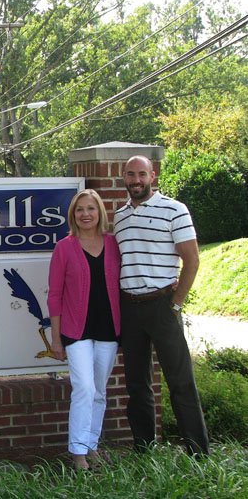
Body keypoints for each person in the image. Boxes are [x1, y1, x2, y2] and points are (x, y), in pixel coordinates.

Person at [114, 155, 209, 456]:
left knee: (180, 381)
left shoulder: (174, 210)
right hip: (130, 307)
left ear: (153, 176)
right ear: (124, 177)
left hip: (162, 305)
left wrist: (176, 303)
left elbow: (192, 260)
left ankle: (198, 452)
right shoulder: (120, 216)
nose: (136, 180)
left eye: (142, 174)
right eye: (131, 175)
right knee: (137, 385)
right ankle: (144, 449)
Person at [47, 189, 121, 470]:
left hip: (108, 329)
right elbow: (54, 295)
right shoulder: (64, 247)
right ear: (73, 215)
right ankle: (77, 452)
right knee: (84, 388)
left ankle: (92, 445)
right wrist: (56, 338)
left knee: (99, 391)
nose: (86, 214)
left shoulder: (114, 245)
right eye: (80, 210)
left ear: (99, 212)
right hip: (75, 331)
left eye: (91, 208)